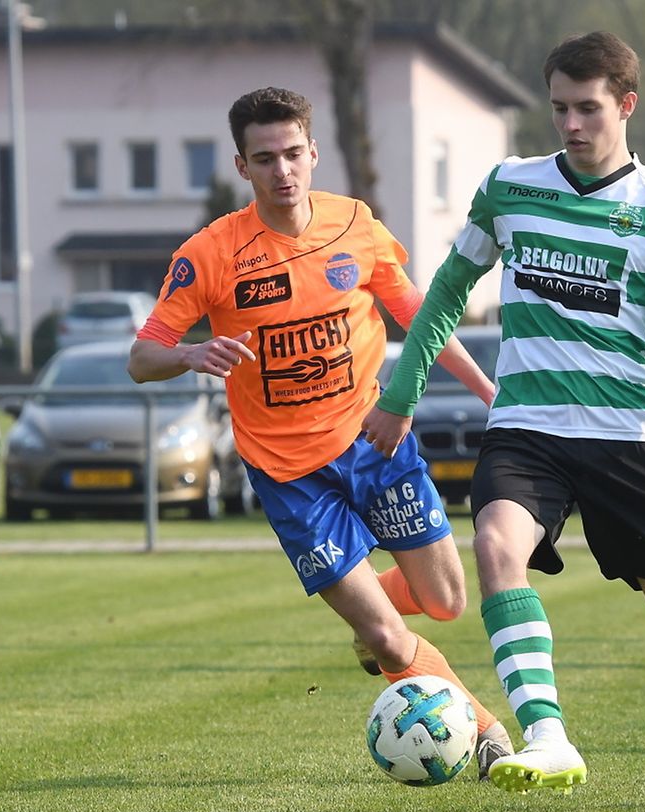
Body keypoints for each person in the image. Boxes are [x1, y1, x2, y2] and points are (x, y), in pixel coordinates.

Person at [361, 32, 645, 812]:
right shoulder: (509, 186)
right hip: (527, 427)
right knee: (494, 543)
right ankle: (546, 734)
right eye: (559, 107)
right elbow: (445, 293)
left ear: (625, 104)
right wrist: (401, 390)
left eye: (588, 108)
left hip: (629, 436)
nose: (571, 124)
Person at [126, 86, 513, 777]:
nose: (283, 171)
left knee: (447, 601)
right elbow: (141, 355)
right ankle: (486, 735)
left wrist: (486, 387)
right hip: (289, 477)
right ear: (243, 167)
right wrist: (188, 353)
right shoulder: (211, 255)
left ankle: (371, 618)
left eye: (293, 154)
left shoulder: (354, 225)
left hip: (376, 445)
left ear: (313, 151)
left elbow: (418, 315)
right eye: (265, 158)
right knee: (392, 641)